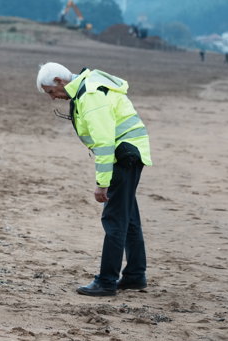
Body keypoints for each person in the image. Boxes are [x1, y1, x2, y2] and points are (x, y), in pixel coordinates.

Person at [36, 62, 152, 297]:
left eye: (51, 91)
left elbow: (104, 142)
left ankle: (107, 281)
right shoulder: (88, 87)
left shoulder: (90, 94)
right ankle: (134, 276)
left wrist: (102, 183)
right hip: (132, 152)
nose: (53, 97)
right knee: (127, 217)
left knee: (114, 219)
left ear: (60, 81)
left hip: (124, 155)